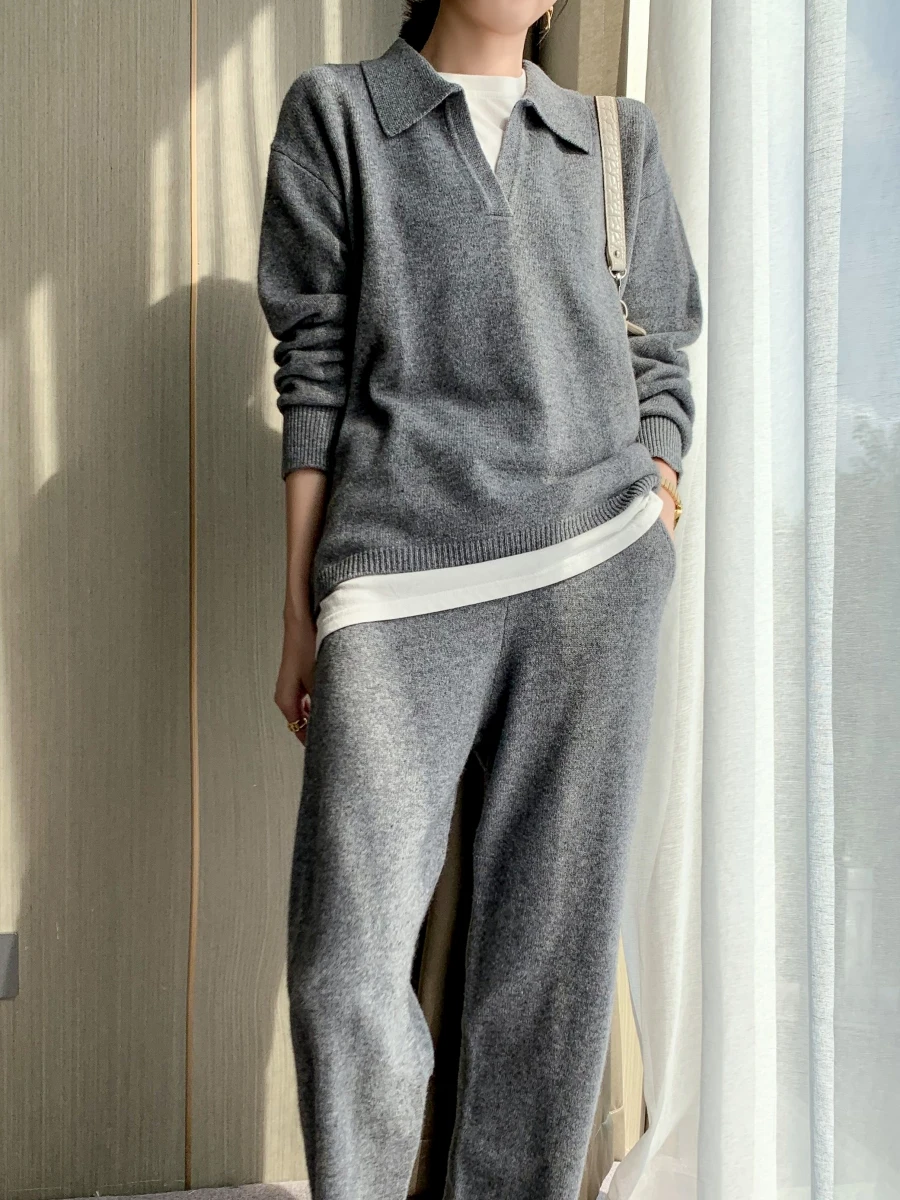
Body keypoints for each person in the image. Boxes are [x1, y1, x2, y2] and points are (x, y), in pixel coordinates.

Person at [256, 1, 702, 1197]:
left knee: (548, 970)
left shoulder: (616, 140)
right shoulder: (339, 114)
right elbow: (313, 371)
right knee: (345, 964)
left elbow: (660, 351)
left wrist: (660, 489)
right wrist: (302, 613)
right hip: (399, 574)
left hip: (594, 574)